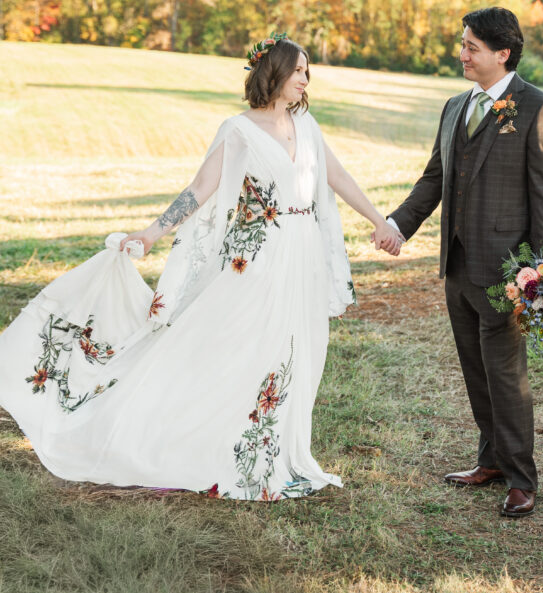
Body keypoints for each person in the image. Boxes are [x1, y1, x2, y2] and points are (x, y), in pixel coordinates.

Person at [0, 35, 402, 501]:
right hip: (257, 257)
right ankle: (209, 445)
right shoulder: (240, 130)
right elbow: (200, 189)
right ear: (273, 72)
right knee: (241, 348)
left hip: (303, 256)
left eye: (307, 72)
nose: (305, 80)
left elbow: (338, 176)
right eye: (298, 71)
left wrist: (379, 221)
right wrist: (152, 232)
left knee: (295, 349)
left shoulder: (305, 123)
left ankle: (271, 454)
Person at [381, 8, 543, 518]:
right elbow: (434, 180)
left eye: (471, 47)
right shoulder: (454, 107)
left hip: (508, 272)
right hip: (458, 266)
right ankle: (491, 461)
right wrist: (397, 225)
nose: (461, 54)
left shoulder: (538, 109)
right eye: (462, 44)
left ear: (502, 52)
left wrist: (539, 276)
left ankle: (522, 478)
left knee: (506, 375)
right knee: (475, 370)